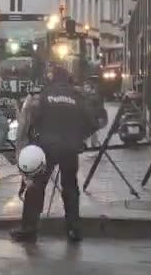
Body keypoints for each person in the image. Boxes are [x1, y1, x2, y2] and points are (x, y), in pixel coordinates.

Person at [12, 65, 98, 244]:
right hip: (70, 148)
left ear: (51, 78)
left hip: (47, 147)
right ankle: (74, 229)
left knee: (36, 185)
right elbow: (92, 122)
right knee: (70, 187)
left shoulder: (44, 96)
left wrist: (35, 138)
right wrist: (79, 138)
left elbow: (33, 119)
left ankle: (29, 228)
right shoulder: (77, 97)